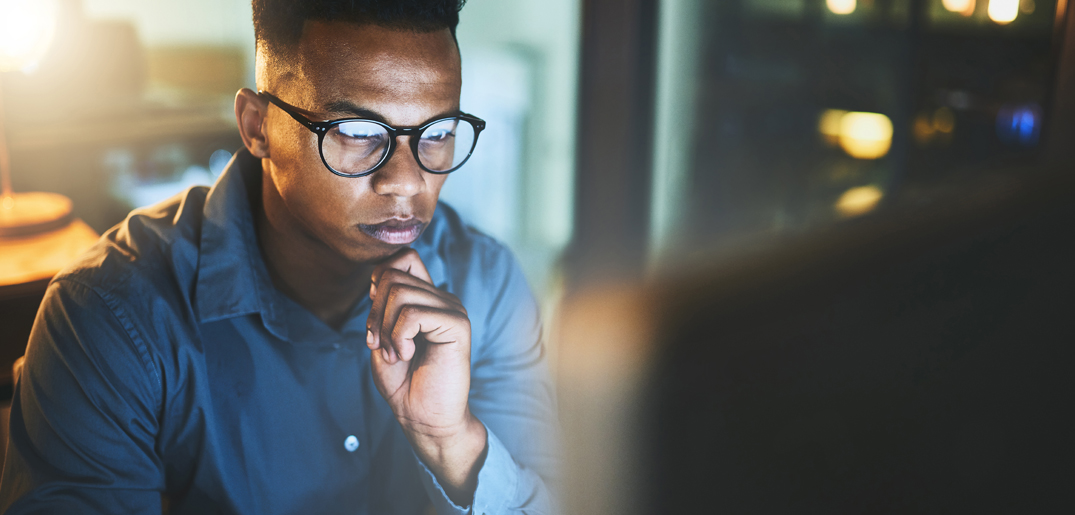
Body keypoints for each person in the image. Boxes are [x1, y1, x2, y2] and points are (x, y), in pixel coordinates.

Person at [0, 1, 558, 513]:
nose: (406, 182)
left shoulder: (488, 283)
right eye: (358, 131)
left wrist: (449, 440)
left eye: (436, 132)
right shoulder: (109, 316)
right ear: (257, 126)